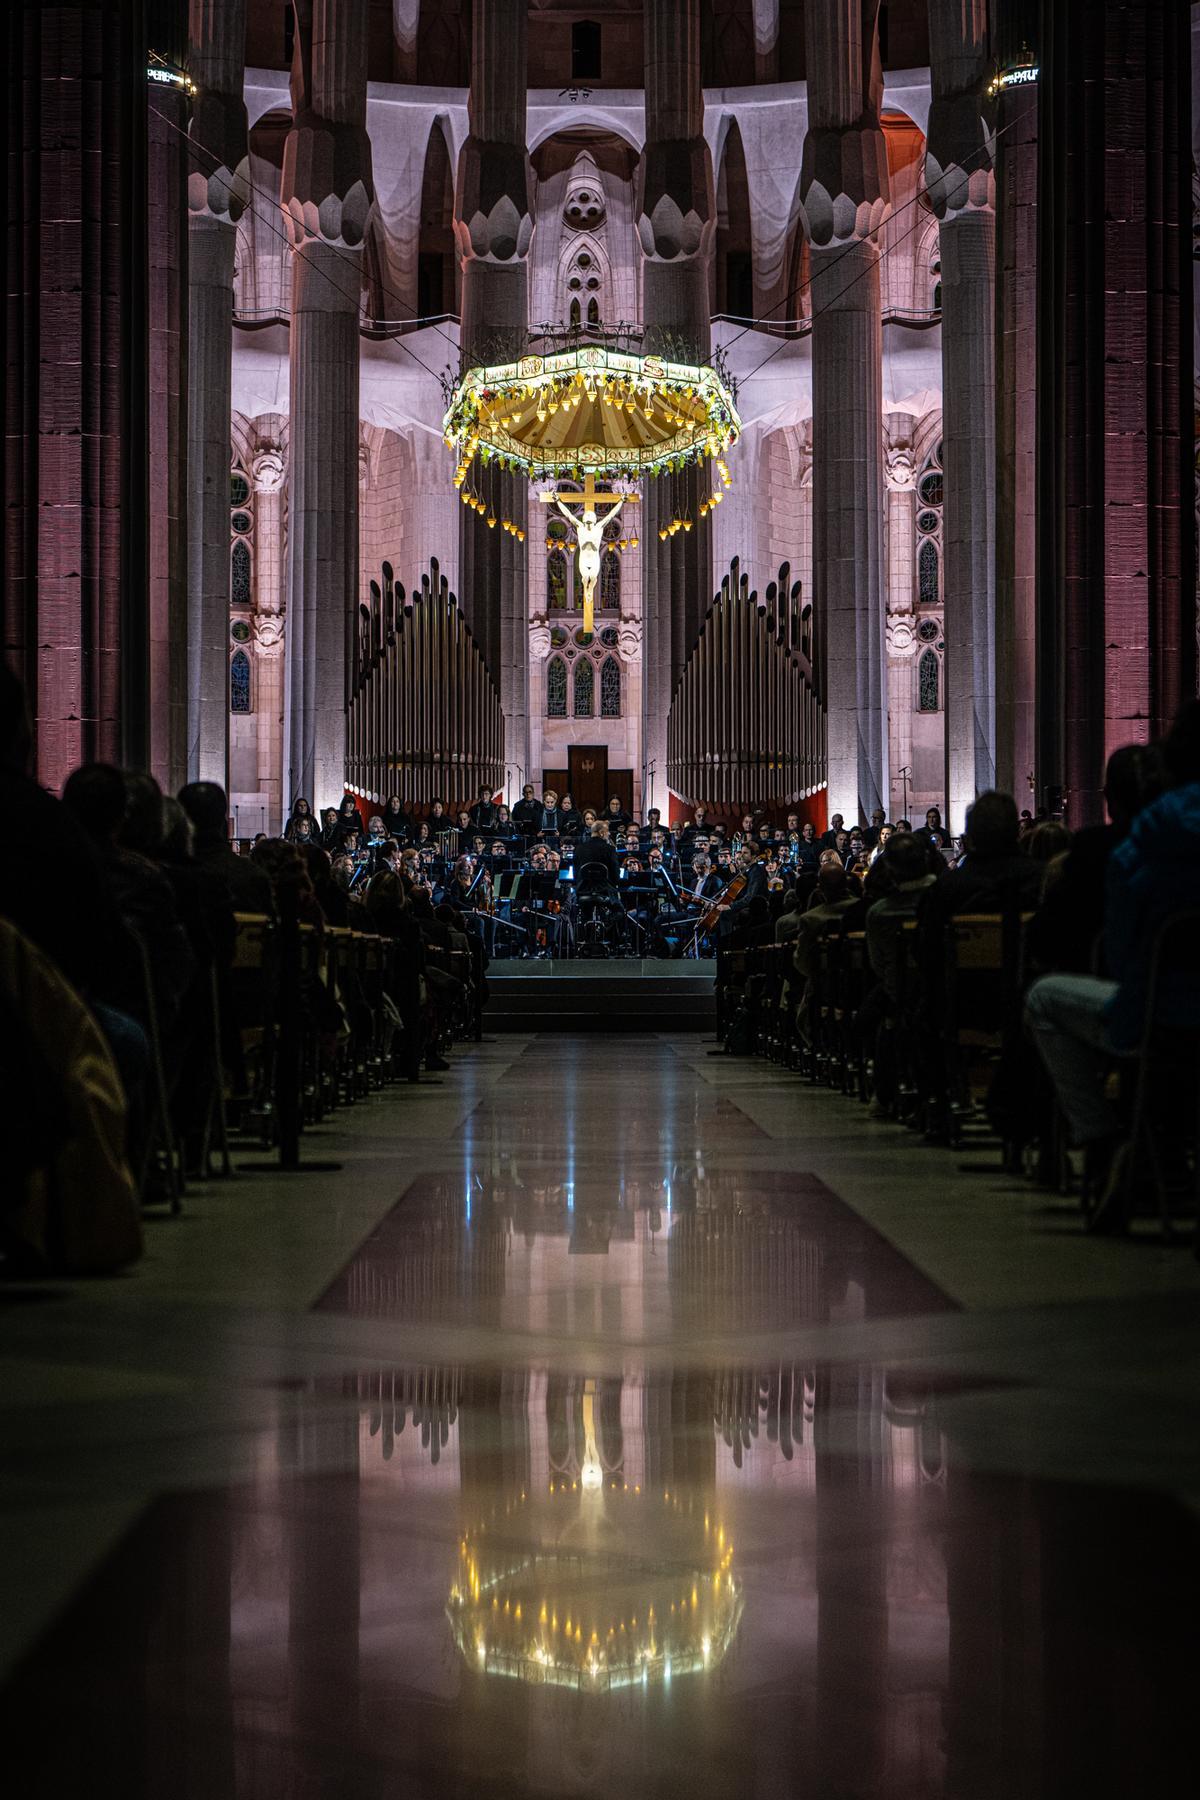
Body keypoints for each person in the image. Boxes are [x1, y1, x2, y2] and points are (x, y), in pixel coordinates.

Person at [1025, 705, 1200, 1230]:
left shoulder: (1148, 835)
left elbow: (1124, 948)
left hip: (1160, 1015)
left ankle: (1103, 1141)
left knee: (1044, 998)